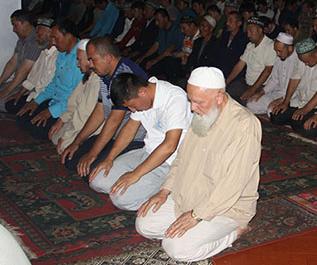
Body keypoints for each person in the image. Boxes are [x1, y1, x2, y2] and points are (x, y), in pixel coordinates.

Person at [135, 67, 261, 262]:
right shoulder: (203, 113)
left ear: (219, 97)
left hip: (225, 207)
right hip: (189, 195)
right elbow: (181, 158)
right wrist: (165, 190)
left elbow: (233, 184)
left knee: (176, 249)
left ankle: (235, 232)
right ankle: (188, 231)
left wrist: (196, 215)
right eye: (190, 100)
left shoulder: (244, 125)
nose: (192, 108)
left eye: (198, 102)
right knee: (144, 224)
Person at [89, 73, 192, 211]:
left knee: (121, 199)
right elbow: (130, 127)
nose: (132, 110)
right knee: (98, 180)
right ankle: (141, 186)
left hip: (169, 162)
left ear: (142, 92)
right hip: (147, 152)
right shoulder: (145, 90)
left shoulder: (175, 98)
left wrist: (136, 174)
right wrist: (110, 158)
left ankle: (170, 189)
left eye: (131, 105)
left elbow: (170, 146)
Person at [61, 37, 147, 181]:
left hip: (132, 139)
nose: (90, 64)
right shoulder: (105, 75)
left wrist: (93, 153)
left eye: (92, 60)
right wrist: (77, 141)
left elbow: (115, 119)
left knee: (91, 172)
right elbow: (100, 110)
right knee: (72, 159)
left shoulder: (124, 76)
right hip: (114, 135)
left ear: (108, 58)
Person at [16, 19, 83, 139]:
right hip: (55, 101)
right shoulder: (62, 54)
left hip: (67, 108)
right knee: (22, 118)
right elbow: (54, 84)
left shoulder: (80, 59)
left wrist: (50, 112)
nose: (53, 42)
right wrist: (36, 102)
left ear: (69, 36)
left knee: (36, 129)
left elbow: (77, 97)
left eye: (55, 38)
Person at [269, 38, 317, 129]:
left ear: (316, 54)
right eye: (303, 61)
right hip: (300, 102)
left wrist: (306, 109)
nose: (305, 64)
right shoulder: (302, 59)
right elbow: (294, 80)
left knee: (303, 125)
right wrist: (285, 102)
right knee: (275, 117)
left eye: (307, 61)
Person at [48, 39, 101, 153]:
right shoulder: (88, 76)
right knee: (55, 136)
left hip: (89, 127)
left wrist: (67, 136)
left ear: (89, 60)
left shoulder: (97, 80)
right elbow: (73, 103)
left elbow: (84, 115)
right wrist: (62, 120)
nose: (77, 64)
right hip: (78, 121)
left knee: (65, 148)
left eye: (79, 60)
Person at [4, 18, 58, 114]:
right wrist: (19, 94)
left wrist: (35, 102)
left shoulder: (58, 55)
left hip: (47, 97)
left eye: (39, 35)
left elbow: (51, 87)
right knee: (11, 104)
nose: (36, 38)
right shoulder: (43, 52)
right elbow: (33, 77)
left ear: (50, 35)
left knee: (25, 117)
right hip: (36, 95)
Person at [226, 17, 277, 105]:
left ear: (260, 30)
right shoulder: (250, 45)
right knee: (228, 91)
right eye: (247, 32)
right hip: (247, 82)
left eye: (251, 31)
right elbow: (239, 65)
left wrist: (252, 89)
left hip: (261, 86)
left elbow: (268, 71)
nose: (248, 35)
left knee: (245, 101)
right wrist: (226, 82)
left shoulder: (270, 46)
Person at [246, 33, 298, 115]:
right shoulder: (279, 58)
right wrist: (261, 92)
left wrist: (283, 100)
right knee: (251, 104)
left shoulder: (299, 60)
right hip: (277, 93)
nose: (277, 54)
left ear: (290, 48)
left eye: (279, 51)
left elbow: (300, 88)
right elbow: (274, 80)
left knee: (272, 112)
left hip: (293, 97)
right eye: (276, 51)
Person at [0, 10, 41, 111]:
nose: (14, 29)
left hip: (28, 86)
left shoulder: (35, 41)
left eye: (15, 25)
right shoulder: (22, 40)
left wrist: (7, 90)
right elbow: (12, 63)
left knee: (3, 102)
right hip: (18, 82)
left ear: (26, 23)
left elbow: (25, 70)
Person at [218, 12, 249, 77]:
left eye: (230, 21)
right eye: (227, 21)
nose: (227, 23)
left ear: (239, 23)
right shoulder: (225, 35)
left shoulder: (244, 40)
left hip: (235, 75)